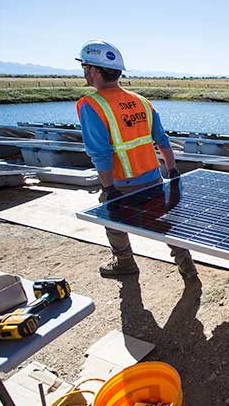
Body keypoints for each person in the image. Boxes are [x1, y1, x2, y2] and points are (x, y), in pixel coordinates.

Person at [75, 40, 197, 279]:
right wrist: (172, 171)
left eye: (86, 67)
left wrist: (108, 189)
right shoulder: (141, 101)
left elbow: (100, 153)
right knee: (167, 222)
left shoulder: (92, 105)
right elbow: (162, 139)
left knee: (112, 220)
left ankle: (124, 262)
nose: (85, 72)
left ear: (94, 70)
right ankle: (187, 266)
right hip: (153, 177)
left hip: (121, 183)